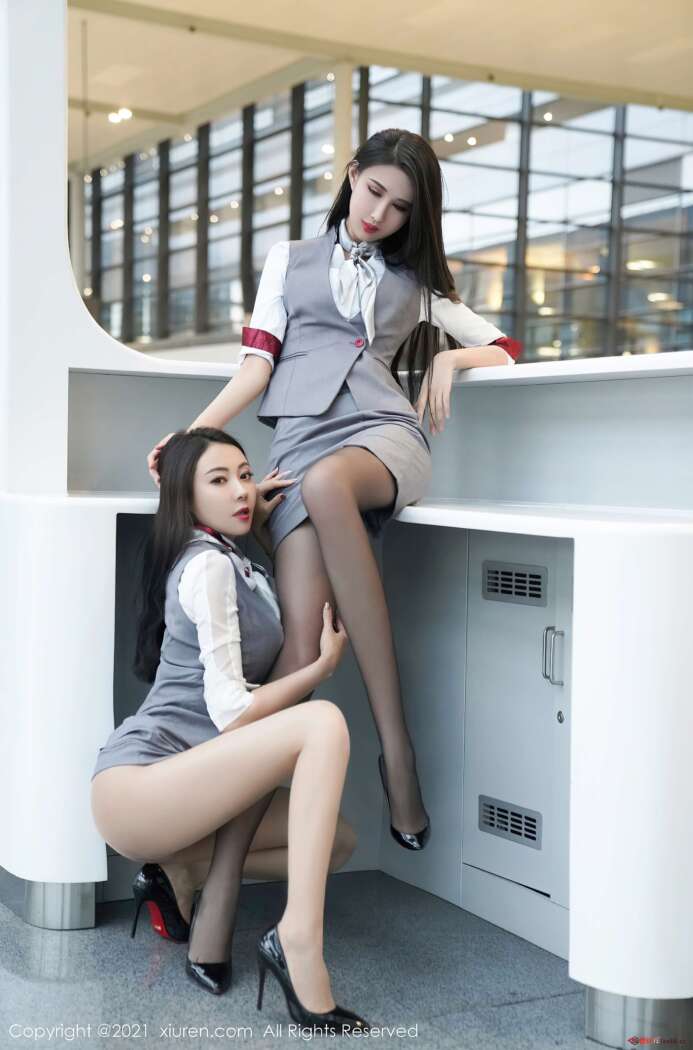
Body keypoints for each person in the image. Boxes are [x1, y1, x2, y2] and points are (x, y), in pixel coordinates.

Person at [147, 127, 520, 857]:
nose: (380, 214)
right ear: (351, 175)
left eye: (400, 207)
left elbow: (506, 348)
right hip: (300, 446)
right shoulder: (288, 260)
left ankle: (397, 750)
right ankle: (218, 886)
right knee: (300, 652)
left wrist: (450, 362)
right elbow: (255, 370)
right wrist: (191, 438)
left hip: (383, 438)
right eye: (374, 191)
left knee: (327, 483)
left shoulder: (416, 283)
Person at [90, 427, 370, 1033]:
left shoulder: (233, 559)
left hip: (187, 785)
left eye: (245, 474)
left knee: (337, 843)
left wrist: (261, 525)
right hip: (138, 785)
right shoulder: (208, 565)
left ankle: (180, 874)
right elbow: (234, 714)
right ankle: (298, 944)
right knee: (322, 722)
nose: (241, 490)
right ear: (187, 498)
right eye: (219, 481)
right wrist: (320, 670)